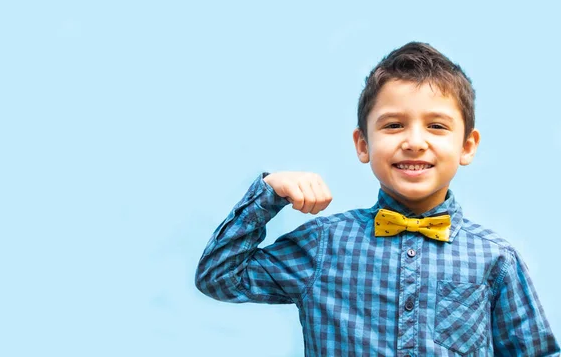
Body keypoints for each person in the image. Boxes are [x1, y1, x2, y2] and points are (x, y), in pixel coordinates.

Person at [194, 42, 559, 356]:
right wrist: (269, 193)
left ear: (466, 146)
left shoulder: (495, 258)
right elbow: (219, 278)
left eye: (436, 125)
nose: (414, 141)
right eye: (393, 125)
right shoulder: (324, 245)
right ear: (363, 145)